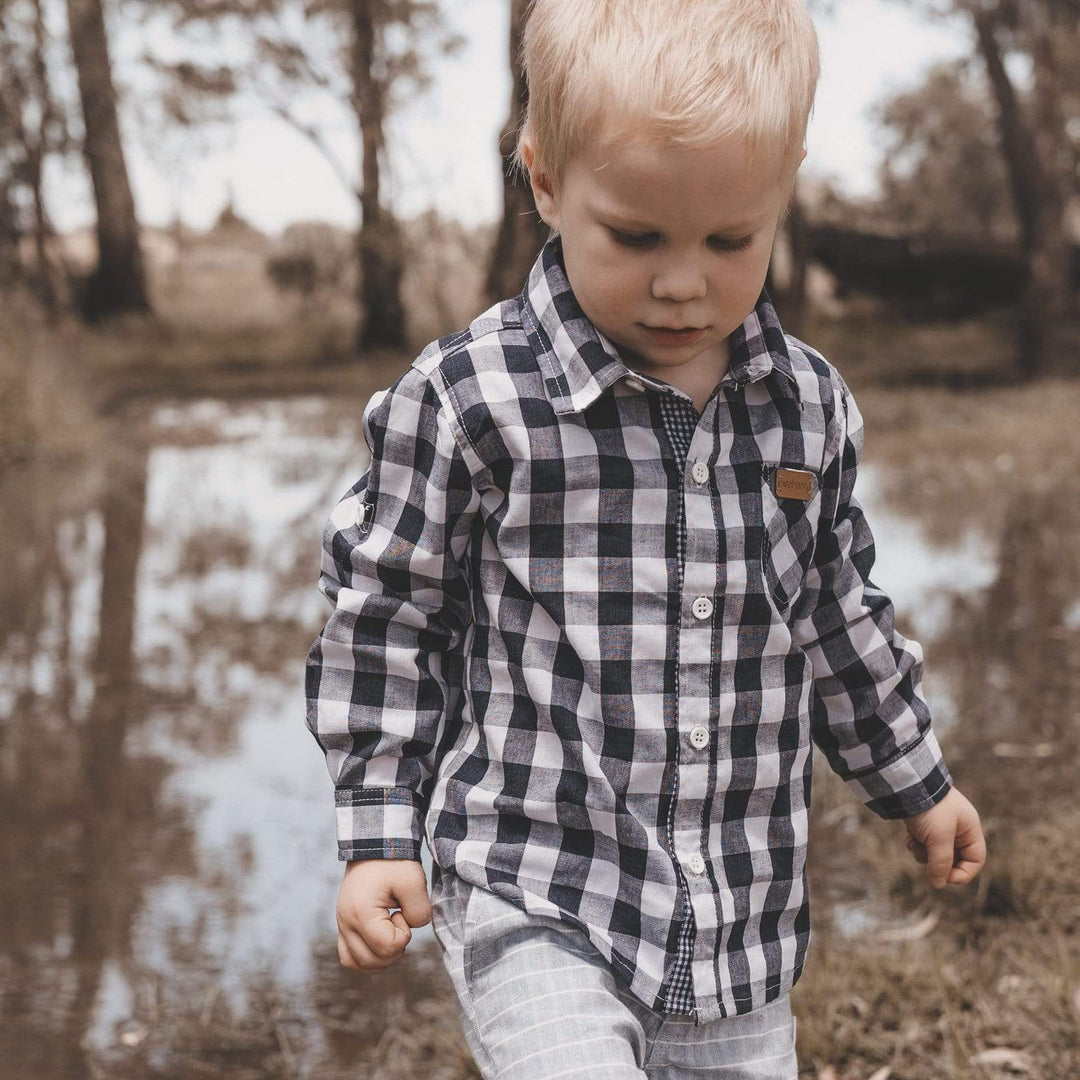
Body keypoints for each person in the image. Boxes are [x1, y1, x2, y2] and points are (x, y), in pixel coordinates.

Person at [304, 0, 987, 1075]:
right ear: (543, 179)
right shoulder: (471, 400)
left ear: (783, 190)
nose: (683, 281)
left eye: (730, 239)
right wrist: (381, 827)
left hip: (736, 930)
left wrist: (918, 782)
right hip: (535, 887)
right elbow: (385, 615)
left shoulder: (805, 410)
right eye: (637, 236)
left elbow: (839, 616)